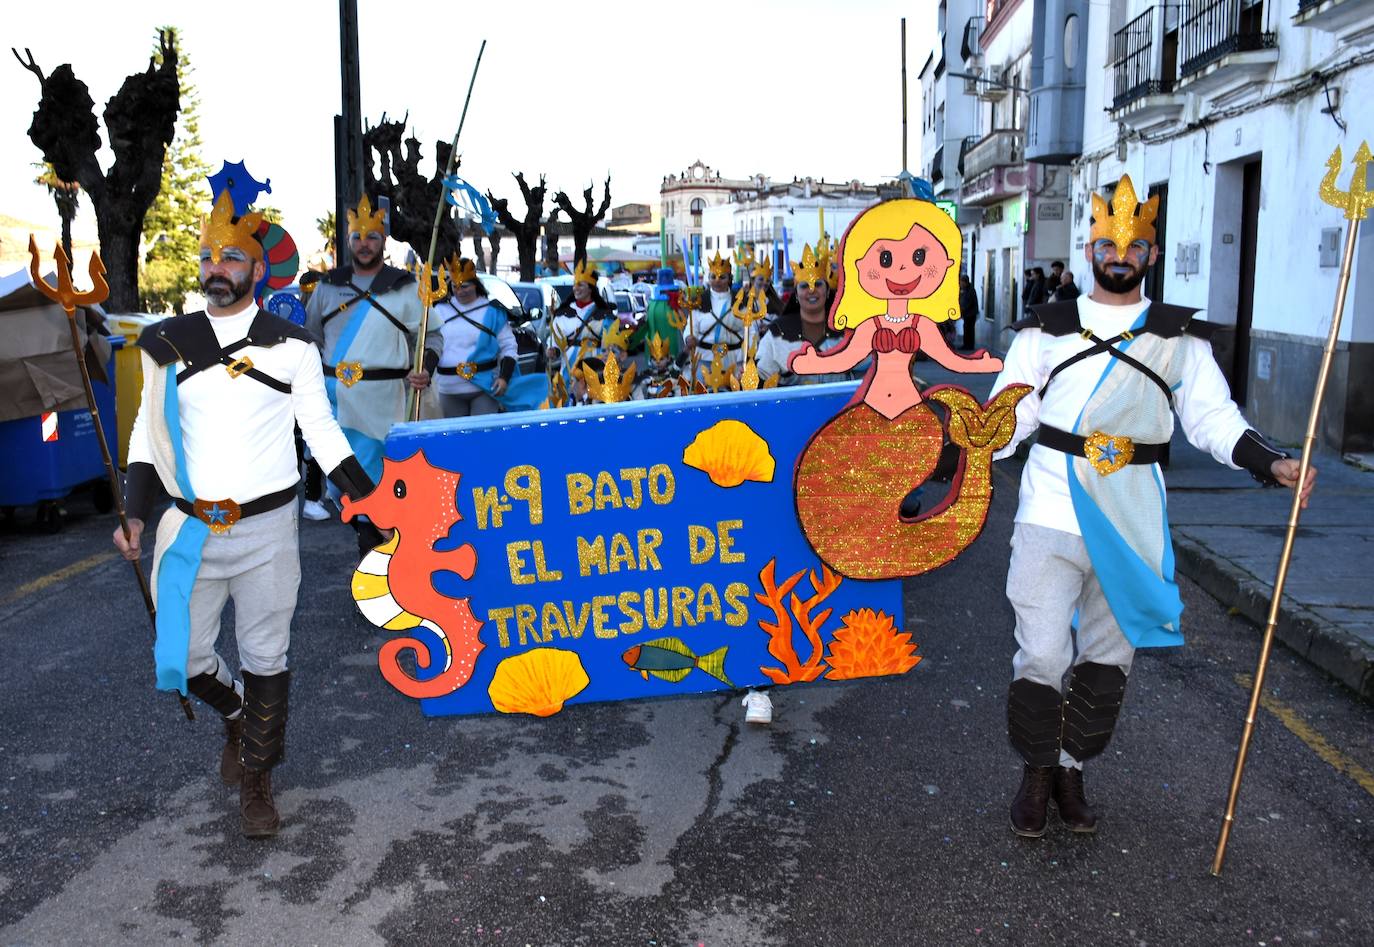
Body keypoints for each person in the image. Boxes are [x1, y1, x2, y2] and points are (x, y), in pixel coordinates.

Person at [990, 174, 1316, 839]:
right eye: (1108, 240)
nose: (1120, 253)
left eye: (1134, 244)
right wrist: (943, 456)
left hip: (1132, 522)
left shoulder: (1180, 340)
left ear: (1152, 255)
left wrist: (1271, 461)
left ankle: (1072, 766)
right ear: (1088, 248)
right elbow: (1006, 421)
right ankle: (1036, 769)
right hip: (1050, 514)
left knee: (1108, 661)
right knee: (1044, 653)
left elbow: (1212, 419)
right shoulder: (1044, 332)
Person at [114, 191, 376, 839]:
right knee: (181, 653)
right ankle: (238, 718)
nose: (215, 267)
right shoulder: (164, 342)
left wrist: (365, 497)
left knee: (266, 651)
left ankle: (257, 778)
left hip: (266, 528)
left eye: (230, 257)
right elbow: (148, 439)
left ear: (257, 270)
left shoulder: (292, 346)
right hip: (188, 526)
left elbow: (322, 431)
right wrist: (135, 515)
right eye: (207, 256)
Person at [304, 194, 439, 554]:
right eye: (357, 237)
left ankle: (379, 556)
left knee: (375, 482)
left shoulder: (406, 286)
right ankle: (376, 546)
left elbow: (431, 335)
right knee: (346, 483)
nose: (364, 244)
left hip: (387, 401)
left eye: (372, 237)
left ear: (384, 241)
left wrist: (424, 367)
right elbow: (311, 339)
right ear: (347, 241)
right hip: (339, 402)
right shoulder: (327, 287)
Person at [756, 243, 852, 386]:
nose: (812, 290)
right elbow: (762, 381)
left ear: (827, 292)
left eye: (818, 284)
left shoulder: (847, 330)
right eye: (804, 285)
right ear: (796, 294)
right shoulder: (776, 333)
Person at [433, 256, 515, 417]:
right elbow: (431, 345)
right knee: (455, 439)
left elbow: (508, 346)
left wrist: (504, 377)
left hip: (484, 386)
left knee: (481, 438)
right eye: (455, 286)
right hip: (448, 388)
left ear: (475, 285)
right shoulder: (440, 311)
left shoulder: (492, 311)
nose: (459, 291)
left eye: (464, 286)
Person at [547, 259, 616, 396]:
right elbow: (556, 341)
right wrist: (553, 350)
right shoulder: (563, 314)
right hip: (570, 366)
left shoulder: (604, 315)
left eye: (580, 285)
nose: (576, 288)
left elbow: (611, 343)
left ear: (590, 288)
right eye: (574, 285)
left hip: (596, 365)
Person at [684, 251, 747, 375]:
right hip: (704, 358)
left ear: (729, 279)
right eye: (713, 277)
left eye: (722, 277)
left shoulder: (740, 300)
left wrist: (746, 355)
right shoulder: (699, 300)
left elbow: (748, 330)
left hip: (733, 359)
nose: (717, 281)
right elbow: (692, 326)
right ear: (709, 278)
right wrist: (688, 338)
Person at [958, 273, 980, 351]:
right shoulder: (966, 290)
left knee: (969, 329)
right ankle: (967, 344)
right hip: (968, 314)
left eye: (961, 282)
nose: (960, 284)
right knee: (967, 329)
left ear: (965, 282)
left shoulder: (970, 291)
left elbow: (967, 303)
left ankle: (969, 345)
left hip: (970, 314)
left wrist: (961, 310)